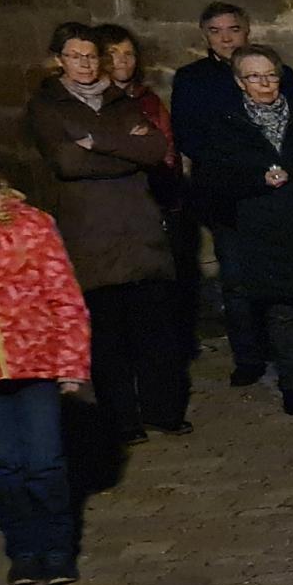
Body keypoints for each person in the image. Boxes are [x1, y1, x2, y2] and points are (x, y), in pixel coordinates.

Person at [24, 20, 191, 443]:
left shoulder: (121, 98)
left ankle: (163, 411)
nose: (84, 64)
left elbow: (154, 149)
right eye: (75, 56)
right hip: (92, 236)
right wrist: (123, 148)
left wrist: (94, 142)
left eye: (90, 56)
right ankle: (122, 420)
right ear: (59, 60)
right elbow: (67, 163)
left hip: (140, 232)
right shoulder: (48, 105)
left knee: (155, 330)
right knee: (108, 338)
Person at [190, 46, 293, 415]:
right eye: (253, 76)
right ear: (239, 82)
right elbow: (211, 183)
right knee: (279, 312)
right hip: (261, 233)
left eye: (270, 75)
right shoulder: (226, 130)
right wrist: (257, 180)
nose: (264, 83)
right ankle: (292, 385)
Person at [0, 122, 89, 585]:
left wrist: (71, 362)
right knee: (2, 466)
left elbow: (64, 296)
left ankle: (58, 548)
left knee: (44, 462)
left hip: (34, 362)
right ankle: (23, 548)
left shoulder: (30, 224)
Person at [169, 0, 293, 386]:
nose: (226, 38)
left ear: (247, 31)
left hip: (277, 191)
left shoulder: (280, 73)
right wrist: (245, 170)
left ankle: (289, 353)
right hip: (227, 195)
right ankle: (249, 356)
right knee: (237, 277)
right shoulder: (193, 79)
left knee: (281, 271)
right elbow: (190, 136)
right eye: (216, 31)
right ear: (205, 35)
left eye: (233, 29)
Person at [92, 23, 194, 350]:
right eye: (112, 54)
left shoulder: (147, 100)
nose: (122, 61)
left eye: (129, 53)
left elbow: (163, 148)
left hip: (158, 199)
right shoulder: (95, 104)